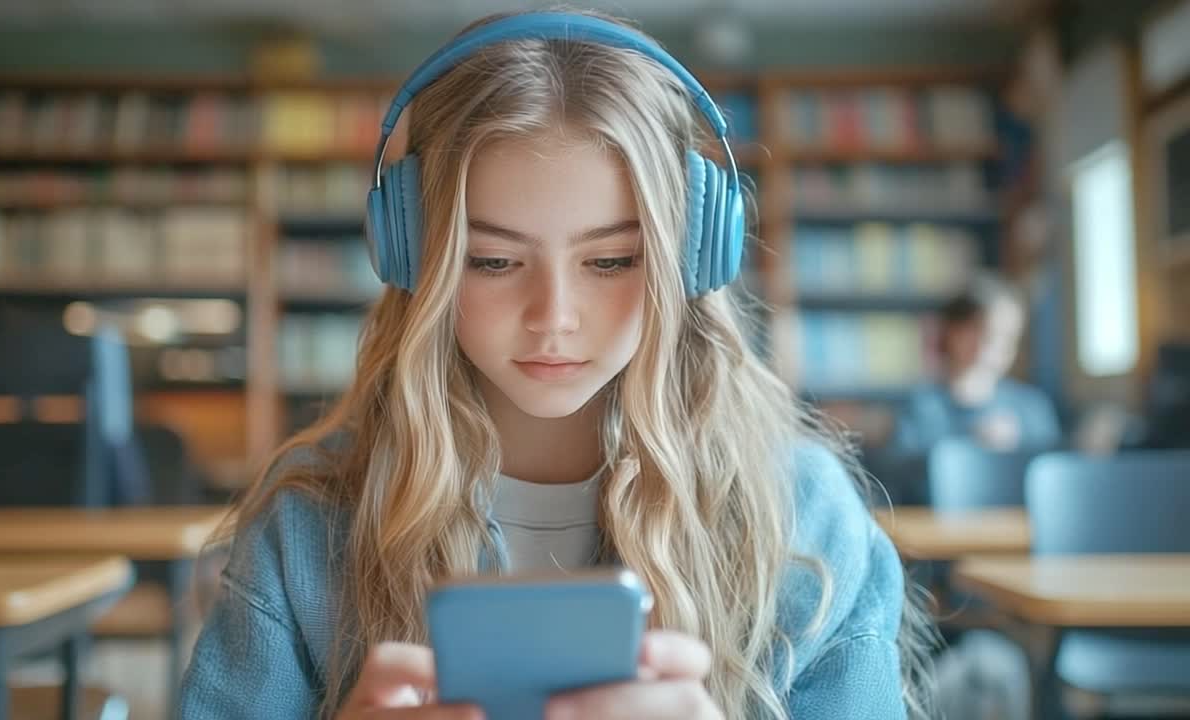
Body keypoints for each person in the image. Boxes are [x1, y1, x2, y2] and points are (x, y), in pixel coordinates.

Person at [179, 10, 936, 720]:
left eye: (610, 260)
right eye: (495, 259)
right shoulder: (309, 530)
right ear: (412, 256)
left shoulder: (806, 519)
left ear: (694, 258)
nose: (554, 315)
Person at [894, 276, 1061, 453]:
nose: (994, 346)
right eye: (984, 332)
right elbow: (910, 468)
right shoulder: (921, 407)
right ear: (952, 332)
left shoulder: (1032, 408)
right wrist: (969, 445)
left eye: (1007, 337)